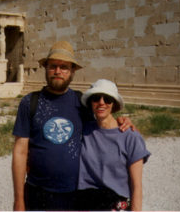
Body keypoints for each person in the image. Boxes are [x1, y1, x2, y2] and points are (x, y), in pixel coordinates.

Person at [12, 41, 134, 211]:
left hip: (75, 194)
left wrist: (123, 122)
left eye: (64, 67)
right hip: (37, 193)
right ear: (46, 67)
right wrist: (18, 200)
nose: (58, 71)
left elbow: (102, 130)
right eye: (53, 66)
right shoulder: (29, 102)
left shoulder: (81, 102)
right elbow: (20, 151)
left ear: (72, 71)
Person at [77, 79, 150, 211]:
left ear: (114, 104)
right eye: (96, 98)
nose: (101, 103)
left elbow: (136, 185)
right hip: (86, 203)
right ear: (90, 103)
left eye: (107, 99)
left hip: (115, 205)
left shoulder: (130, 136)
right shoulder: (84, 130)